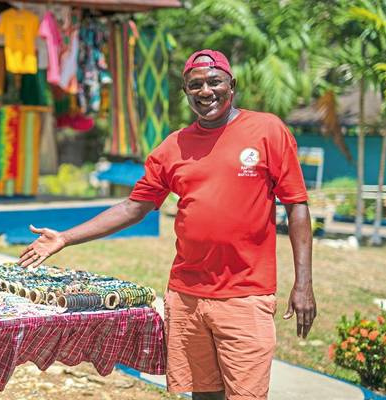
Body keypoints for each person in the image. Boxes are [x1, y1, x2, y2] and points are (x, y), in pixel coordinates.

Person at [19, 49, 316, 400]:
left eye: (214, 82)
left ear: (231, 85)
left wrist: (303, 284)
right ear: (186, 92)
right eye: (195, 86)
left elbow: (296, 206)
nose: (206, 91)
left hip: (244, 296)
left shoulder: (267, 130)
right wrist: (65, 238)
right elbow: (134, 207)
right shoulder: (173, 147)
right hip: (186, 297)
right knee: (202, 395)